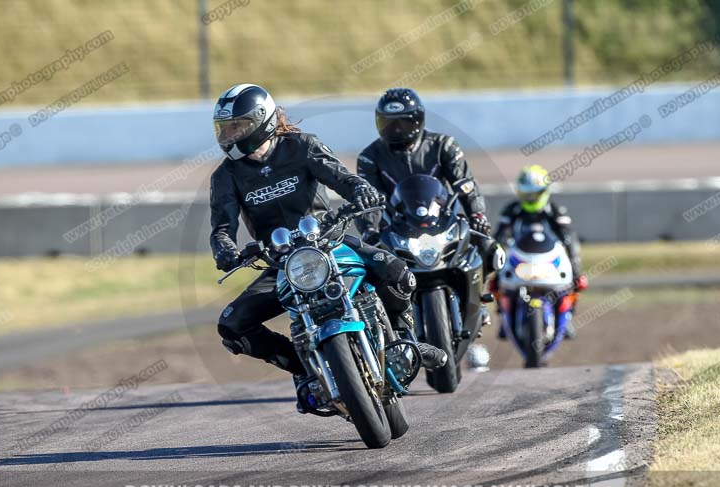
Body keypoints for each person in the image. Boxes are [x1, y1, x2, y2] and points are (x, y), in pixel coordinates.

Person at [209, 83, 445, 412]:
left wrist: (361, 191)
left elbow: (343, 178)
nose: (230, 135)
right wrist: (223, 247)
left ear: (261, 122)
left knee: (398, 273)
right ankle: (303, 368)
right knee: (231, 325)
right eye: (225, 128)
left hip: (329, 242)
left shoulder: (302, 146)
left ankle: (406, 342)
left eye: (238, 126)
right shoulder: (226, 176)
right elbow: (222, 226)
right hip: (282, 263)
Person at [355, 87, 505, 277]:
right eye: (389, 124)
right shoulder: (369, 157)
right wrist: (369, 228)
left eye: (403, 123)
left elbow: (466, 182)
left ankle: (479, 301)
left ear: (417, 121)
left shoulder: (443, 145)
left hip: (443, 221)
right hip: (398, 228)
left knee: (488, 249)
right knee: (369, 269)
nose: (396, 130)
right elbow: (368, 197)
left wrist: (477, 215)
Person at [493, 164, 588, 338]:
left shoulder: (555, 210)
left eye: (534, 194)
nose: (529, 198)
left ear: (544, 192)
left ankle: (566, 320)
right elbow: (500, 235)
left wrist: (576, 269)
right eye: (526, 194)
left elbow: (569, 237)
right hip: (519, 259)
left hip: (549, 260)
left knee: (572, 284)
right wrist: (497, 254)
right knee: (497, 282)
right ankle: (504, 319)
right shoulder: (512, 210)